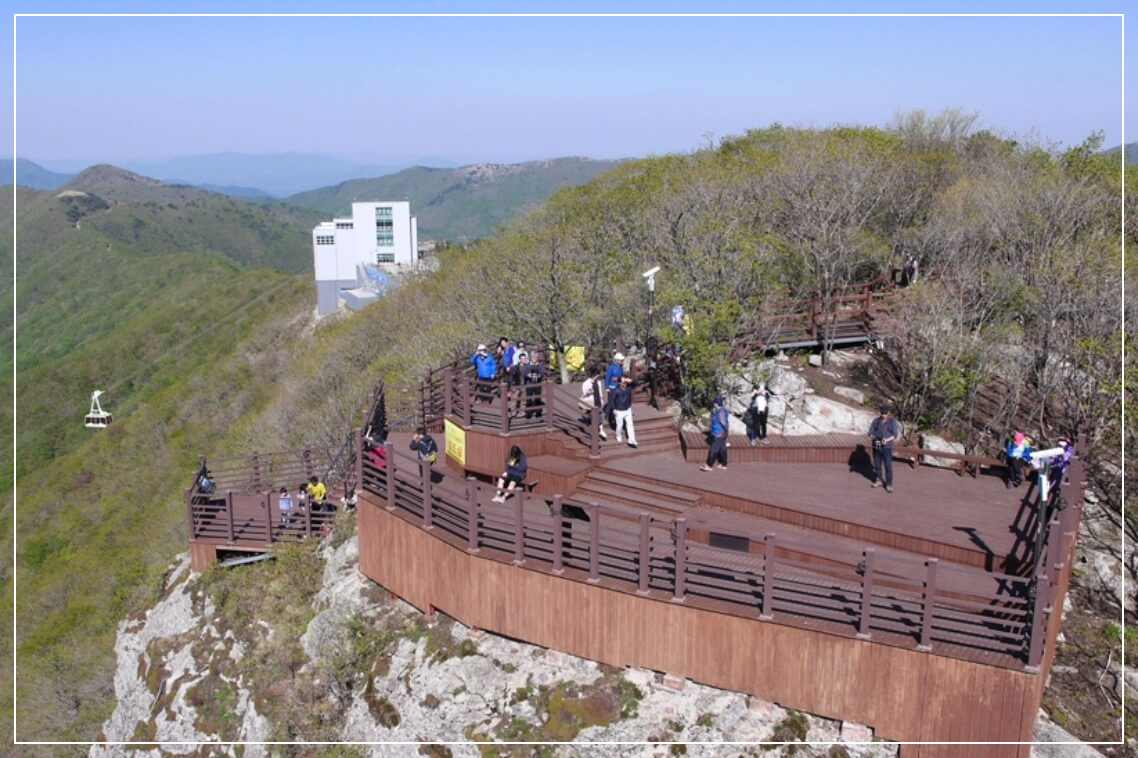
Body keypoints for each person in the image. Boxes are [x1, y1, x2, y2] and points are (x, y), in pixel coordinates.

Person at [867, 404, 901, 492]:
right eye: (882, 413)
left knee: (887, 464)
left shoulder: (892, 422)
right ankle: (879, 480)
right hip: (877, 442)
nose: (883, 415)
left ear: (889, 413)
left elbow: (894, 435)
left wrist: (887, 440)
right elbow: (870, 431)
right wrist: (872, 436)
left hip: (887, 445)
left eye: (885, 413)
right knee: (877, 462)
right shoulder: (876, 421)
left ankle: (889, 484)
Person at [578, 367, 608, 440]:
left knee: (600, 415)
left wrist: (601, 399)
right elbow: (584, 393)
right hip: (591, 402)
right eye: (596, 375)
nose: (597, 376)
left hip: (598, 401)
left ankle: (600, 430)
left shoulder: (598, 382)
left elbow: (600, 391)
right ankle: (593, 430)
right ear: (592, 375)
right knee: (593, 416)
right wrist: (589, 392)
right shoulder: (586, 383)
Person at [701, 396, 730, 471]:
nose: (713, 404)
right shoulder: (722, 410)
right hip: (721, 433)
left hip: (719, 433)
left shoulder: (720, 412)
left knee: (713, 449)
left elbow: (723, 423)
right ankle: (723, 464)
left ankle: (709, 465)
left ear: (716, 403)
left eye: (714, 402)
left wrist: (726, 431)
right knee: (722, 449)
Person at [610, 375, 637, 447]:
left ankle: (632, 440)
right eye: (624, 382)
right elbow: (612, 401)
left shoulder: (629, 387)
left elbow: (636, 383)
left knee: (630, 424)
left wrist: (631, 381)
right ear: (620, 383)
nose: (625, 384)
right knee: (620, 425)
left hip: (628, 409)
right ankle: (618, 435)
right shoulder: (616, 390)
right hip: (619, 410)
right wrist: (614, 409)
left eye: (626, 382)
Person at [522, 349, 546, 418]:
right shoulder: (527, 365)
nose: (534, 358)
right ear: (531, 357)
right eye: (533, 357)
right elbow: (524, 373)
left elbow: (542, 372)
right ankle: (529, 413)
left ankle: (538, 413)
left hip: (537, 384)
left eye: (536, 357)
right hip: (529, 384)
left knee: (537, 399)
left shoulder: (540, 364)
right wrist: (528, 375)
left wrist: (539, 376)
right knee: (529, 399)